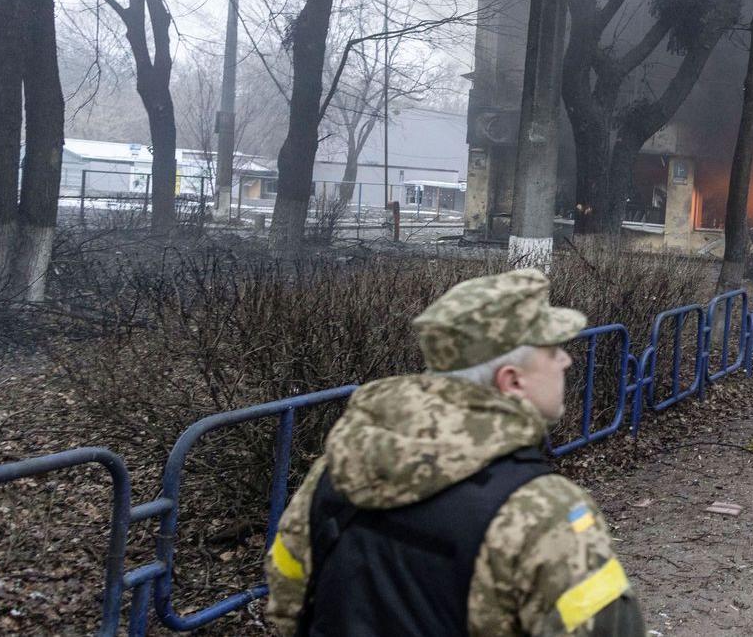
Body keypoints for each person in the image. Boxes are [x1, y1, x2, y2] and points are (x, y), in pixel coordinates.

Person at [265, 268, 644, 636]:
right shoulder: (542, 510)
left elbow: (288, 598)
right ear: (511, 380)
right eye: (553, 350)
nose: (566, 360)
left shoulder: (337, 470)